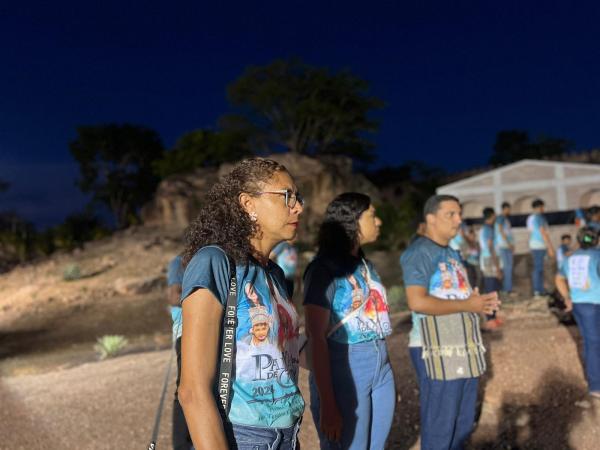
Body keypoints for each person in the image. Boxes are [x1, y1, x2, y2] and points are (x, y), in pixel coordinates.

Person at [177, 158, 305, 450]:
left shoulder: (274, 273)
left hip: (289, 434)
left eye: (298, 197)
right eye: (287, 197)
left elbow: (278, 350)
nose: (298, 207)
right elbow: (193, 391)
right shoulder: (214, 263)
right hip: (242, 437)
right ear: (248, 204)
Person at [400, 194, 500, 450]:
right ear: (431, 219)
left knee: (462, 421)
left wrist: (479, 301)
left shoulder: (452, 253)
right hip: (434, 347)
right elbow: (417, 301)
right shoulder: (420, 252)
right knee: (441, 425)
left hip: (462, 343)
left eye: (459, 213)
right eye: (451, 214)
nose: (459, 219)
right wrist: (467, 305)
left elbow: (453, 294)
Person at [304, 193, 395, 450]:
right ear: (352, 221)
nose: (379, 222)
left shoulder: (366, 265)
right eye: (372, 215)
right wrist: (329, 405)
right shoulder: (323, 269)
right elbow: (316, 337)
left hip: (381, 363)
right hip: (346, 366)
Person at [555, 227, 600, 399]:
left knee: (591, 343)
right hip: (594, 304)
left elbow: (559, 278)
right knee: (594, 344)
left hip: (579, 306)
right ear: (596, 240)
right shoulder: (597, 255)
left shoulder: (570, 258)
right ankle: (596, 385)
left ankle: (595, 381)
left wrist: (567, 297)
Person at [167, 254, 193, 450]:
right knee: (185, 385)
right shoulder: (179, 262)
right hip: (185, 331)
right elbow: (174, 296)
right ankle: (182, 444)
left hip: (210, 330)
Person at [526, 198, 555, 297]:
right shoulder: (538, 217)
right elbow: (543, 232)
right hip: (539, 245)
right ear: (538, 207)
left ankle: (540, 289)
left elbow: (530, 233)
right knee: (538, 268)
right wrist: (550, 247)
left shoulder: (530, 218)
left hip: (535, 245)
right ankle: (537, 290)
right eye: (542, 207)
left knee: (539, 268)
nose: (543, 209)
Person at [495, 202, 514, 294]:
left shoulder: (505, 219)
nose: (509, 211)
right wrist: (508, 243)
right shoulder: (500, 218)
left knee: (508, 267)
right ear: (504, 209)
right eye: (508, 209)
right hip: (503, 245)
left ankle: (508, 288)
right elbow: (500, 229)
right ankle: (506, 289)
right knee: (507, 267)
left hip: (507, 245)